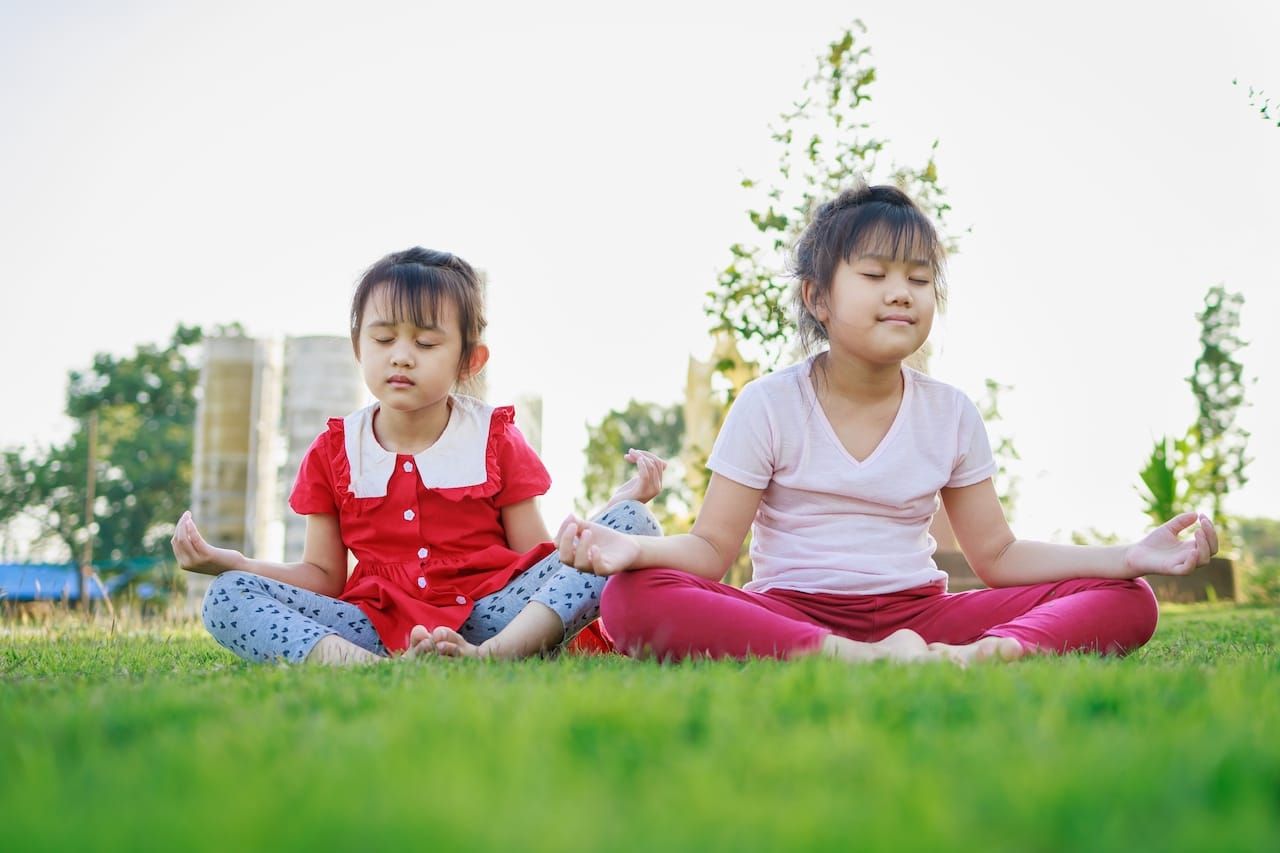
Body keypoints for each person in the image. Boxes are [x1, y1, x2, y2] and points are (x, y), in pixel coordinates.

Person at [555, 182, 1218, 666]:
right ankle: (852, 656)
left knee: (1130, 599)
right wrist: (634, 550)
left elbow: (1000, 557)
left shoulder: (950, 412)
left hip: (921, 614)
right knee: (631, 600)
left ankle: (977, 658)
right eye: (874, 273)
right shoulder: (767, 404)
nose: (901, 291)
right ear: (817, 297)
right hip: (792, 611)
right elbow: (710, 552)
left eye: (920, 278)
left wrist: (1130, 555)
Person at [172, 247, 663, 665]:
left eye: (426, 342)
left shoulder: (495, 439)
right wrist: (234, 562)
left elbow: (535, 560)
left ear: (469, 360)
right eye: (383, 339)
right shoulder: (334, 452)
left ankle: (494, 657)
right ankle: (368, 670)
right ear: (358, 348)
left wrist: (606, 518)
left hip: (495, 616)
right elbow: (322, 577)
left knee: (632, 521)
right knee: (228, 595)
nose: (401, 355)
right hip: (371, 627)